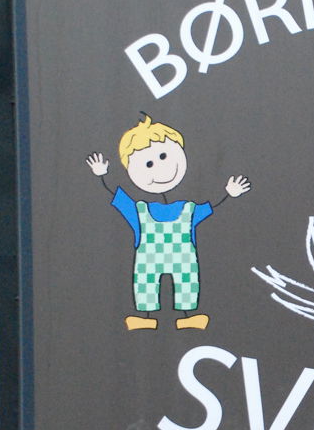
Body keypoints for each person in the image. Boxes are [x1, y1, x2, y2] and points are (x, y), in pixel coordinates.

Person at [86, 113, 252, 331]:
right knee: (146, 284)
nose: (159, 168)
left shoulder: (188, 210)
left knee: (186, 283)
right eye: (148, 163)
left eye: (164, 156)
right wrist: (102, 175)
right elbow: (118, 197)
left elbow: (209, 208)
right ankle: (145, 317)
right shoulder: (139, 212)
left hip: (182, 260)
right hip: (149, 261)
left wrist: (228, 193)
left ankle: (188, 317)